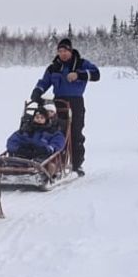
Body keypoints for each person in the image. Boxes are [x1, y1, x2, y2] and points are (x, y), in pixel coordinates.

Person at [30, 37, 99, 174]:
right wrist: (37, 91)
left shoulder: (81, 64)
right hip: (58, 103)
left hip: (75, 102)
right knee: (55, 132)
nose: (63, 54)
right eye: (60, 51)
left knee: (75, 133)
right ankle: (56, 163)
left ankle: (77, 164)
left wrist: (79, 75)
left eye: (65, 51)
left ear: (71, 51)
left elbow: (96, 74)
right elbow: (44, 82)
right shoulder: (54, 67)